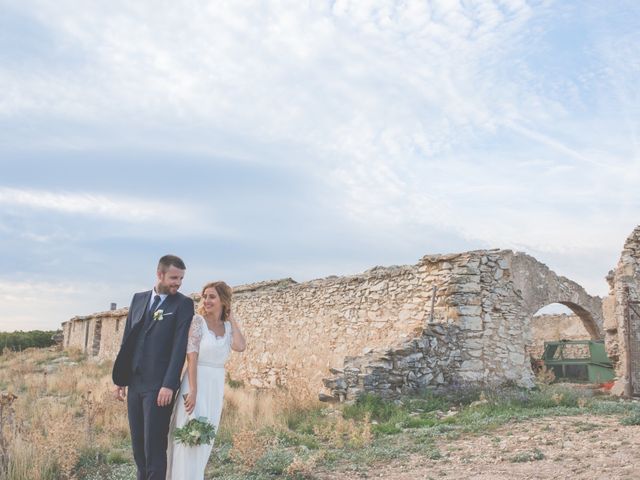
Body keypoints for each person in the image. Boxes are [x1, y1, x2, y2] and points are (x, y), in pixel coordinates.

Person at [112, 255, 195, 480]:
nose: (178, 283)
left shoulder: (183, 304)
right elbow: (127, 340)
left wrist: (169, 384)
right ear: (160, 274)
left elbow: (179, 348)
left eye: (181, 279)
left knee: (154, 447)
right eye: (174, 277)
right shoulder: (138, 299)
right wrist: (120, 379)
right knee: (138, 447)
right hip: (135, 383)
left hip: (159, 387)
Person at [167, 281, 246, 479]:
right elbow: (191, 356)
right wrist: (193, 390)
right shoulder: (197, 321)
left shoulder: (227, 327)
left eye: (212, 296)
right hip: (196, 382)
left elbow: (240, 346)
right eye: (205, 296)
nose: (207, 300)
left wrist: (232, 318)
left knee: (204, 440)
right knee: (188, 437)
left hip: (215, 386)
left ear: (223, 300)